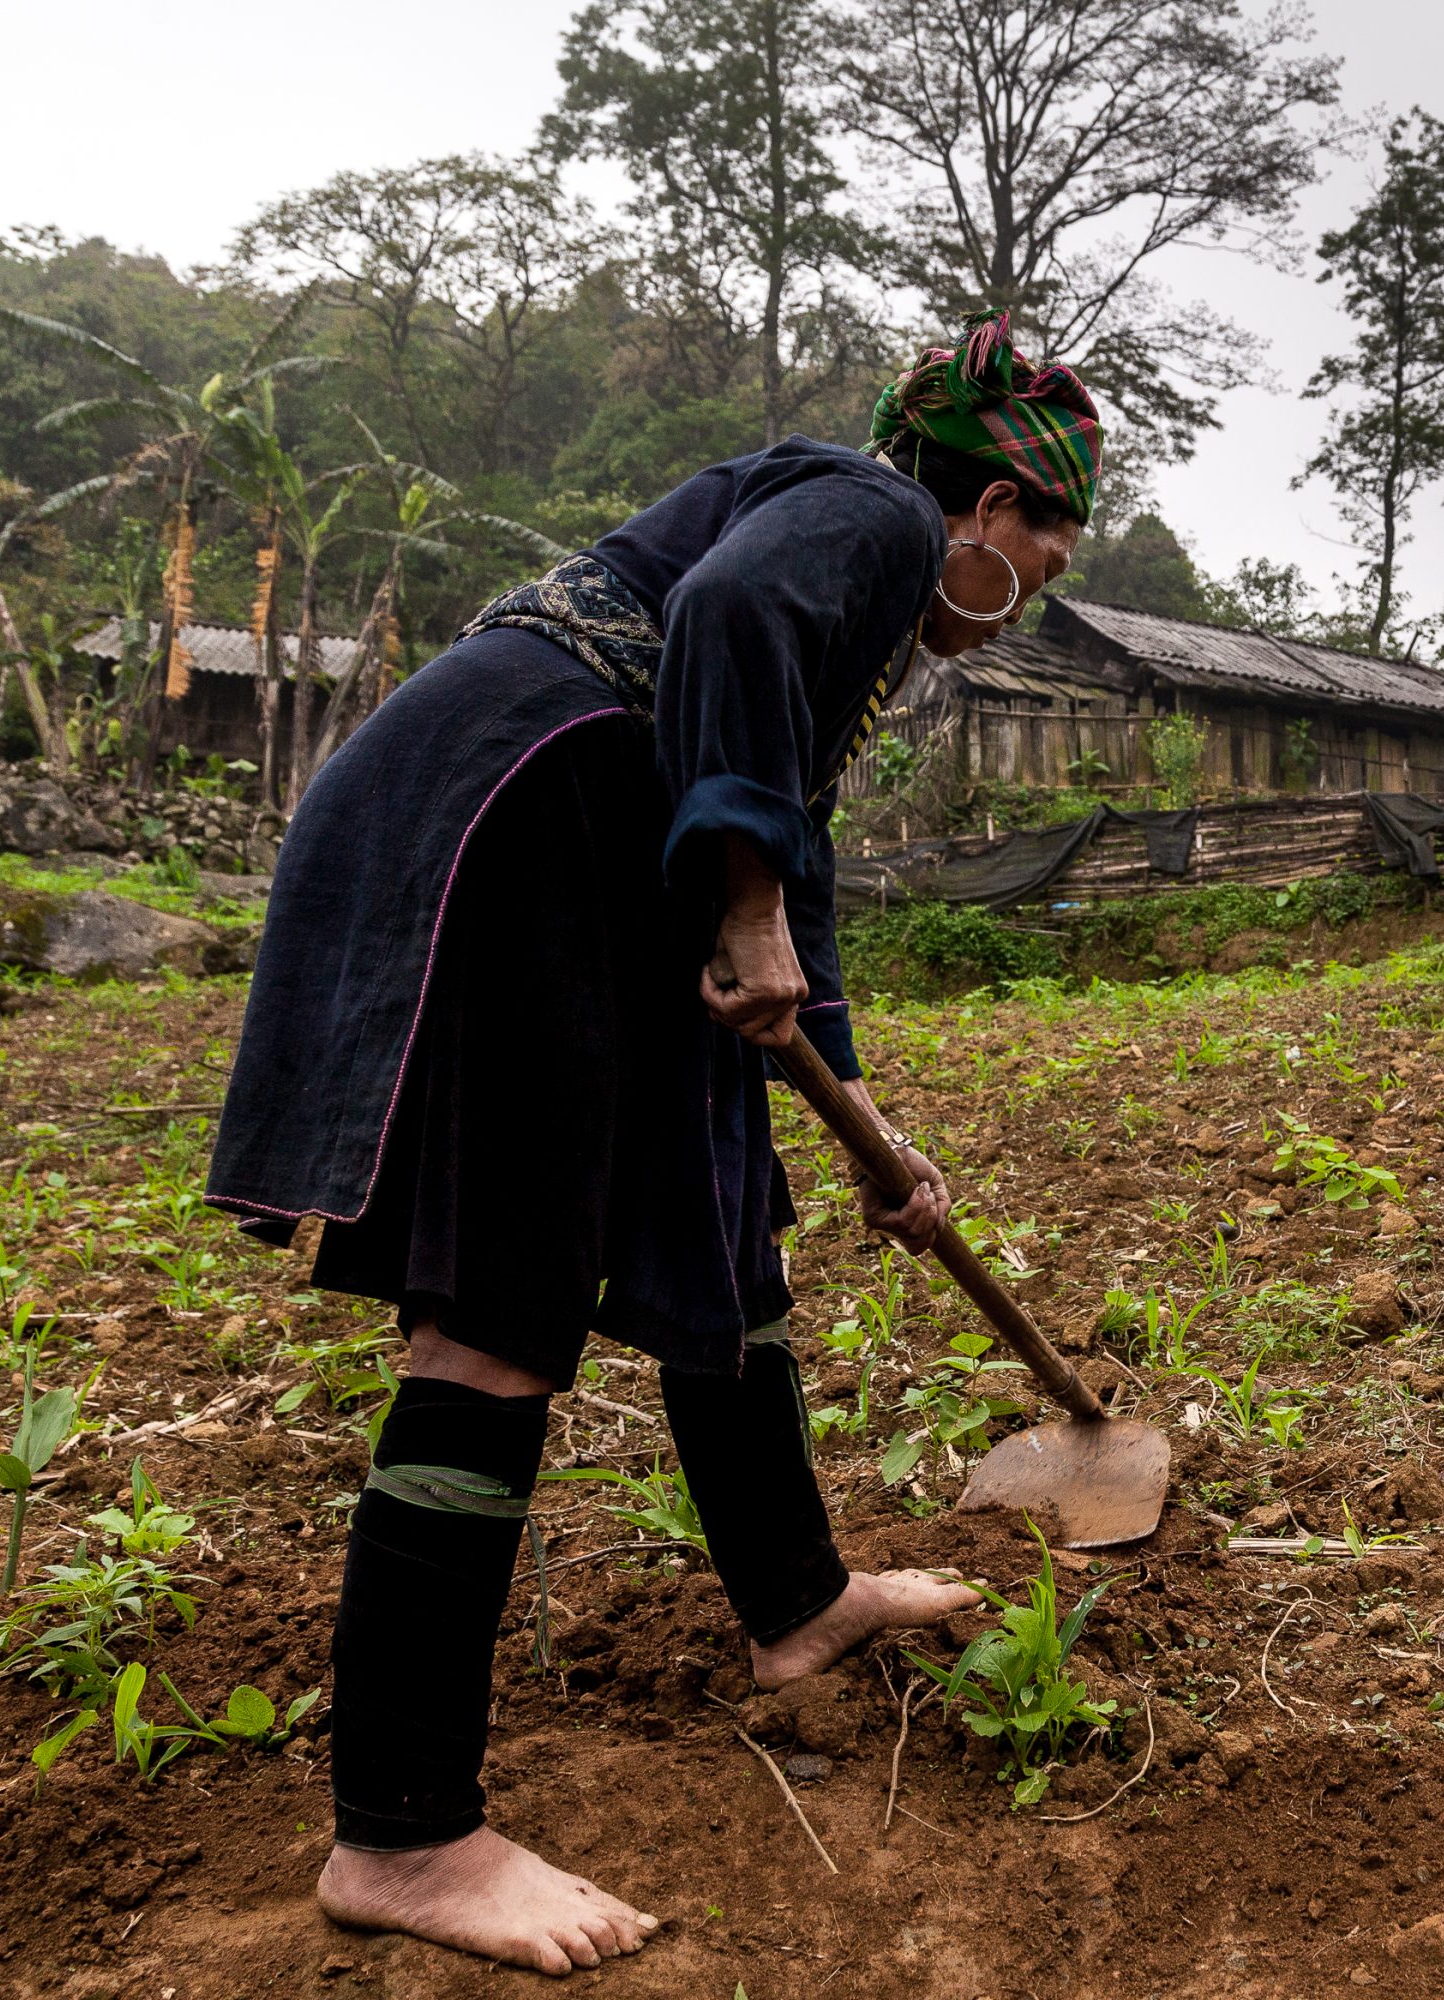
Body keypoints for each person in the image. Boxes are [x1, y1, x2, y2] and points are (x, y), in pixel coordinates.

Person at [207, 313, 1098, 1975]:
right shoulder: (872, 513)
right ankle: (401, 1831)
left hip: (603, 836)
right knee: (501, 1300)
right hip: (519, 810)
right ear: (986, 510)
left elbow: (786, 860)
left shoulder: (852, 608)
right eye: (1050, 534)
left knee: (715, 1216)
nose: (1045, 572)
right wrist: (745, 896)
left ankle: (797, 1599)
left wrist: (868, 1133)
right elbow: (727, 618)